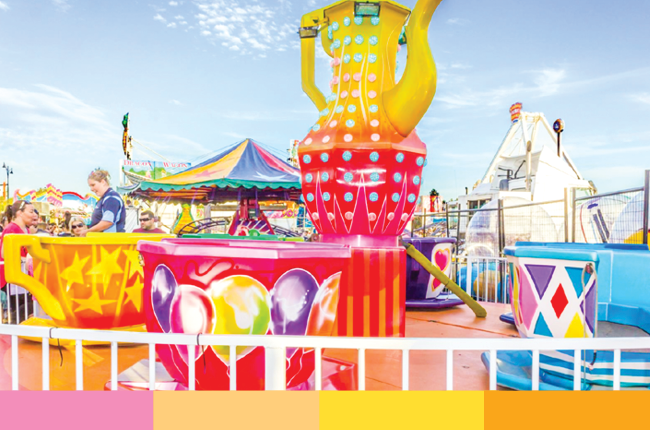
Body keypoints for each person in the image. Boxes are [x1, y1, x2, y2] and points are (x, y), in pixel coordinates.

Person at [85, 169, 126, 235]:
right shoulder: (104, 198)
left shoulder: (111, 198)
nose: (91, 189)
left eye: (93, 185)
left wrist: (87, 231)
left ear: (103, 182)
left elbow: (108, 222)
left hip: (110, 241)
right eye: (90, 186)